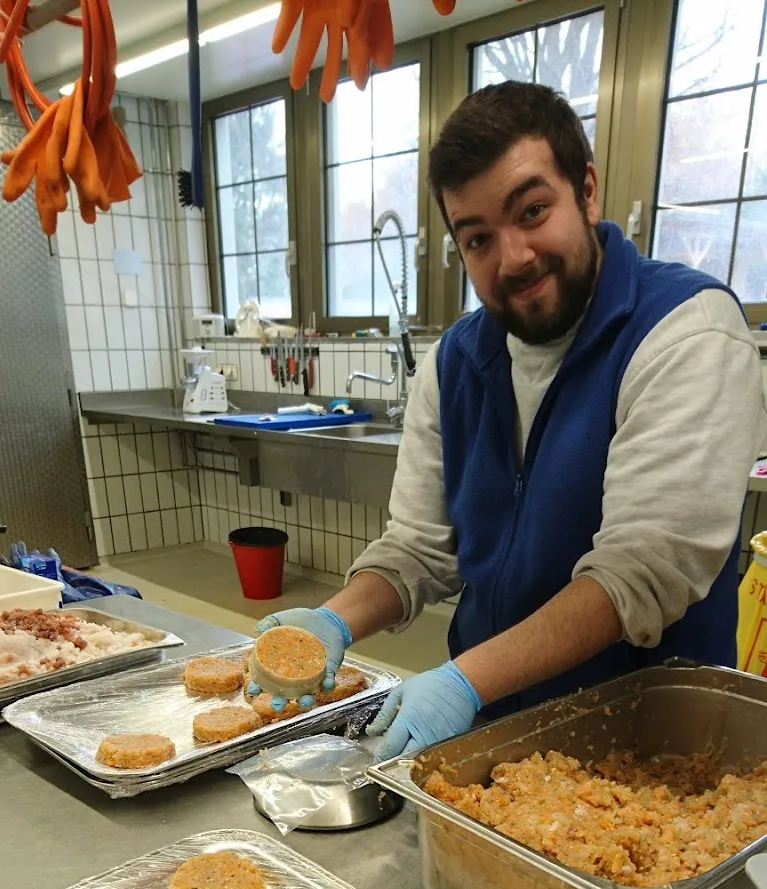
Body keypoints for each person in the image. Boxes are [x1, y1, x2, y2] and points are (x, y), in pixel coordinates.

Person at [249, 81, 767, 758]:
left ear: (587, 191)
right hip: (493, 736)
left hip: (649, 756)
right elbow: (420, 548)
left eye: (532, 211)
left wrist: (463, 681)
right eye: (478, 238)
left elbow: (640, 573)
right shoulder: (454, 364)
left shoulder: (683, 331)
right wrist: (329, 623)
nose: (513, 256)